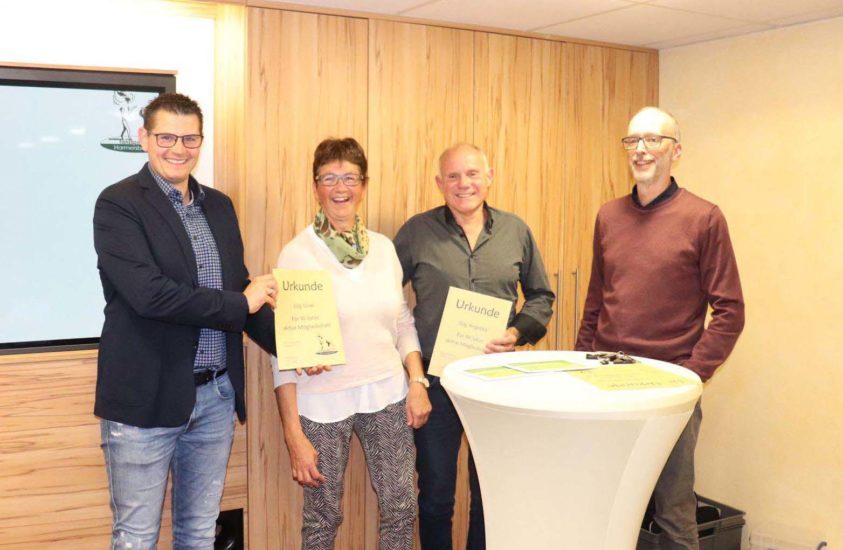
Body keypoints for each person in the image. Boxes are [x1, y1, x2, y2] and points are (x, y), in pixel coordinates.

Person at [93, 92, 277, 549]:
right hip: (146, 397)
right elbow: (151, 295)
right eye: (166, 137)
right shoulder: (118, 204)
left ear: (201, 141)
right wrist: (242, 302)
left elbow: (238, 289)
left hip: (215, 397)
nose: (179, 148)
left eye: (190, 138)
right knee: (136, 537)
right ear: (144, 138)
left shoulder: (219, 206)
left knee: (198, 533)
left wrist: (296, 346)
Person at [575, 107, 745, 550]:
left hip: (669, 390)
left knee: (673, 515)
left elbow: (730, 311)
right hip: (606, 385)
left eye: (653, 140)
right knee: (604, 506)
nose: (641, 150)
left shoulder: (704, 218)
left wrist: (690, 375)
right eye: (633, 140)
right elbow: (595, 301)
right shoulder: (608, 216)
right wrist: (579, 369)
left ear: (676, 151)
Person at [394, 143, 555, 550]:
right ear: (439, 183)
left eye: (472, 174)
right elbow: (386, 298)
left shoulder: (516, 231)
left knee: (488, 492)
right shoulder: (416, 233)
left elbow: (541, 296)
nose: (463, 184)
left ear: (489, 177)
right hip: (436, 383)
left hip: (494, 381)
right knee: (435, 496)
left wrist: (516, 333)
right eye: (453, 176)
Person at [273, 138, 431, 550]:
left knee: (401, 508)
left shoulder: (383, 249)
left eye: (349, 177)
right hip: (321, 403)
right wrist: (293, 435)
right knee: (323, 518)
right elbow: (282, 352)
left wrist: (417, 381)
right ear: (315, 187)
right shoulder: (297, 255)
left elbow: (401, 321)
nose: (340, 188)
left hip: (387, 394)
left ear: (363, 185)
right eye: (329, 178)